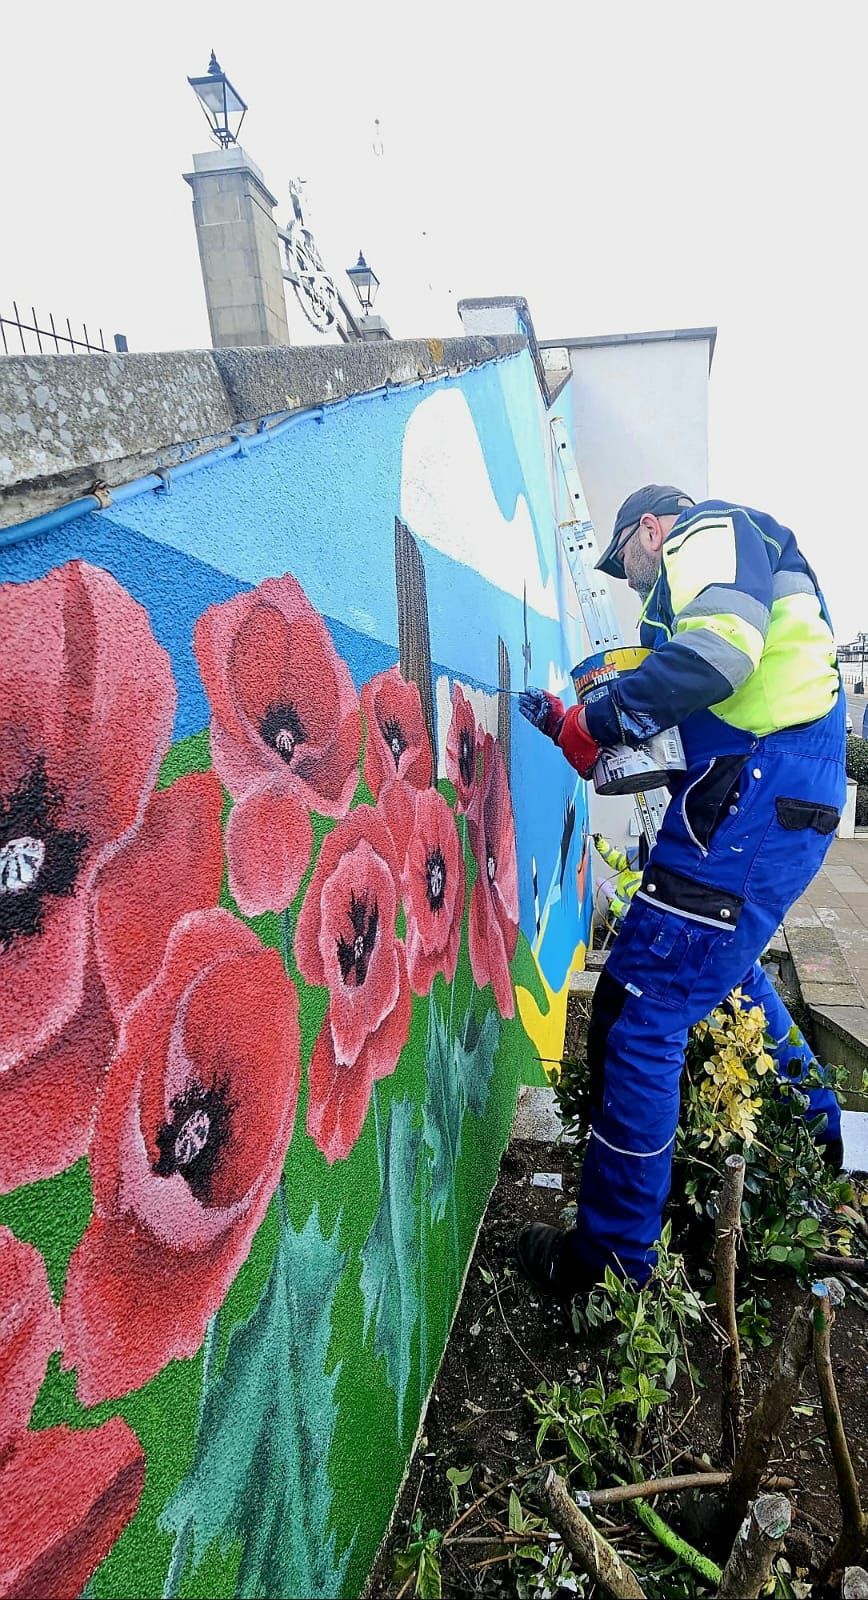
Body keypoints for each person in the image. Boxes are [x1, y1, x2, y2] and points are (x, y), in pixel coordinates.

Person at [517, 486, 846, 1297]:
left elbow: (721, 654)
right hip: (759, 791)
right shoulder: (727, 574)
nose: (630, 584)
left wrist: (603, 716)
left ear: (651, 529)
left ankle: (612, 1267)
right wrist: (577, 729)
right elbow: (675, 736)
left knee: (641, 1011)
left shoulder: (709, 531)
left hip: (758, 793)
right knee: (723, 972)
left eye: (626, 562)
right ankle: (820, 1134)